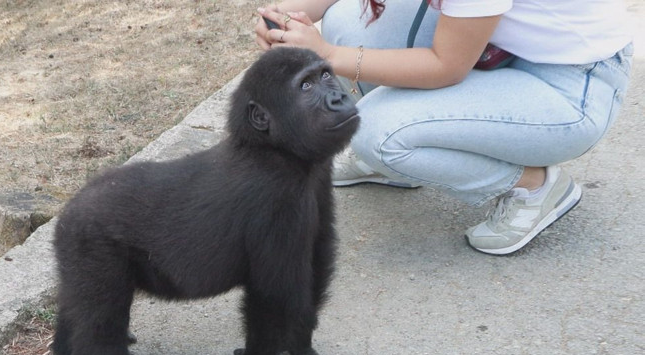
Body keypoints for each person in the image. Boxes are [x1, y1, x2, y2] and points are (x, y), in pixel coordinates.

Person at [254, 0, 634, 255]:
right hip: (501, 46)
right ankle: (396, 166)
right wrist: (283, 16)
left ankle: (533, 185)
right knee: (346, 22)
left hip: (570, 86)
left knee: (377, 133)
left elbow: (445, 66)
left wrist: (328, 55)